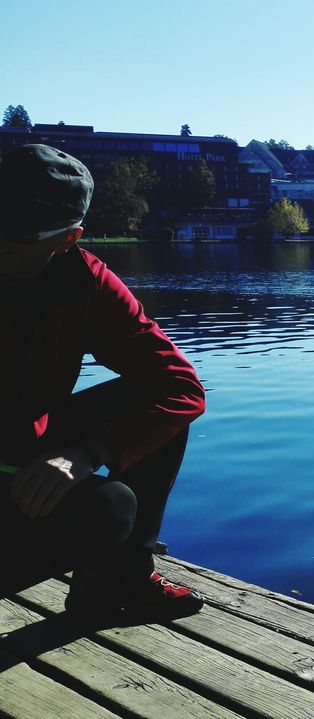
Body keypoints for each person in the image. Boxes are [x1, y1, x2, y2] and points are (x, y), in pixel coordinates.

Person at [0, 144, 206, 618]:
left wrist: (87, 453)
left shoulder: (86, 284)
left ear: (66, 239)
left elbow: (181, 388)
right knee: (107, 508)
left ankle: (116, 583)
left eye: (15, 229)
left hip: (17, 451)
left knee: (120, 490)